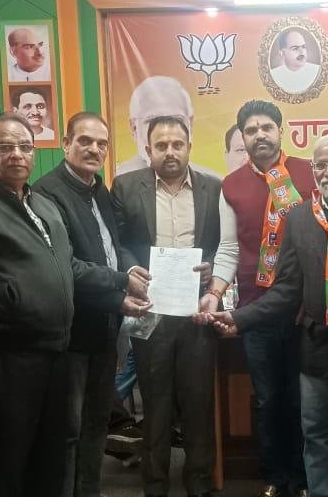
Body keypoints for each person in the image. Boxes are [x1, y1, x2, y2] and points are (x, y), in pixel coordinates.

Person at [0, 113, 147, 496]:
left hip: (56, 352)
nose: (17, 154)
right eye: (5, 147)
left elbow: (68, 265)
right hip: (10, 356)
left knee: (49, 458)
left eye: (25, 147)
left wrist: (121, 281)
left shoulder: (41, 204)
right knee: (8, 459)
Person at [211, 135, 328, 497]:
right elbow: (287, 289)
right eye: (321, 165)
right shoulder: (299, 217)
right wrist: (240, 317)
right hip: (317, 347)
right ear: (313, 170)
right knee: (316, 437)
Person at [33, 112, 152, 497]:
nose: (94, 149)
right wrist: (121, 287)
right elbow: (64, 266)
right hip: (71, 333)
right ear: (65, 143)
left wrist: (128, 270)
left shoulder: (99, 189)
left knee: (97, 424)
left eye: (102, 143)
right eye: (84, 140)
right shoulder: (47, 193)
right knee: (68, 429)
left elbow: (111, 248)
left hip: (104, 329)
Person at [203, 99, 315, 497]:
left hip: (304, 310)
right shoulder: (231, 185)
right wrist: (214, 293)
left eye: (267, 127)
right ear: (242, 138)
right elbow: (229, 249)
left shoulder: (308, 172)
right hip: (255, 312)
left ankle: (303, 479)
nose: (260, 135)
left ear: (281, 131)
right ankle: (274, 476)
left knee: (301, 400)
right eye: (251, 130)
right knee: (267, 399)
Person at [112, 115, 224, 497]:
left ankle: (199, 483)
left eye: (177, 144)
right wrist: (132, 269)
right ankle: (155, 485)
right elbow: (119, 241)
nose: (170, 152)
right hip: (151, 311)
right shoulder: (126, 186)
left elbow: (222, 243)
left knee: (198, 403)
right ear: (148, 150)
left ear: (189, 147)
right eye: (161, 146)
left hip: (196, 311)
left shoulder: (213, 187)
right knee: (155, 404)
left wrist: (211, 265)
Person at [116, 76, 219, 177]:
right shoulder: (117, 181)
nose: (166, 131)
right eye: (153, 120)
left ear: (190, 124)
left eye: (176, 119)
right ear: (134, 128)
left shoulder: (212, 184)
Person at [269, 28, 319, 94]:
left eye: (303, 47)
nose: (301, 52)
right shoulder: (274, 75)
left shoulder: (317, 71)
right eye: (295, 48)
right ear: (283, 53)